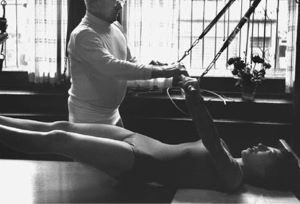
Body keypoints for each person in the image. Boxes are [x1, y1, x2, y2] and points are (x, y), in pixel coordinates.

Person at [0, 75, 298, 192]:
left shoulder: (234, 175)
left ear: (266, 173)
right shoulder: (230, 160)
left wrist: (192, 94)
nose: (260, 145)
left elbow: (207, 134)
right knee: (61, 127)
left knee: (59, 141)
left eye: (267, 153)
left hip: (139, 159)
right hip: (138, 140)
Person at [67, 0, 185, 125]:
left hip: (113, 112)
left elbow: (129, 62)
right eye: (117, 1)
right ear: (96, 1)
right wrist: (164, 71)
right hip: (88, 116)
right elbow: (113, 67)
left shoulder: (115, 27)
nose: (120, 6)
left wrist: (157, 66)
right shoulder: (84, 35)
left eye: (122, 1)